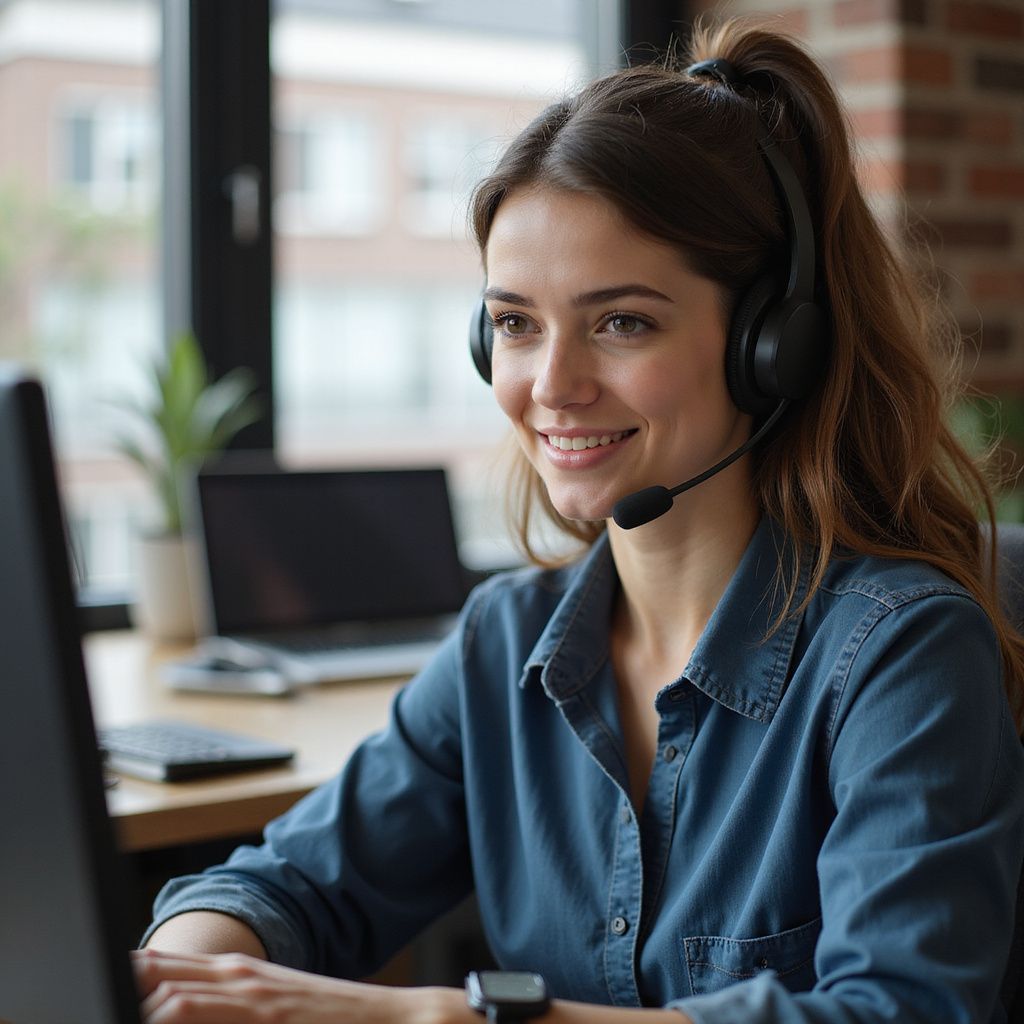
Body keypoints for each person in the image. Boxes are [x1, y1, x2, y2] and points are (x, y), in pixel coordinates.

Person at [133, 18, 1024, 1024]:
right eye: (514, 323)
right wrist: (179, 974)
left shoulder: (898, 651)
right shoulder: (504, 645)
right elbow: (287, 884)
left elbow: (900, 1011)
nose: (550, 385)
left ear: (774, 345)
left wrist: (428, 1017)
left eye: (620, 322)